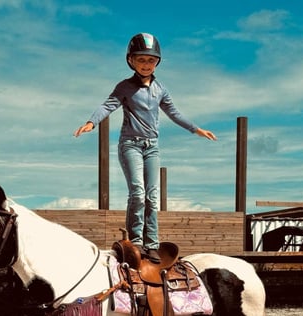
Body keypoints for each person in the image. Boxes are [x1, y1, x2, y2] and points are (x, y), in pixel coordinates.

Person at [74, 32, 217, 262]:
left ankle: (152, 243)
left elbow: (174, 113)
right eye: (141, 60)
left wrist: (196, 129)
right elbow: (107, 106)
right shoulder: (124, 87)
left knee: (152, 196)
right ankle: (136, 241)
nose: (146, 64)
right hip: (130, 145)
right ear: (131, 60)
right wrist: (92, 122)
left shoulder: (160, 89)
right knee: (138, 192)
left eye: (151, 60)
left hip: (152, 148)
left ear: (157, 62)